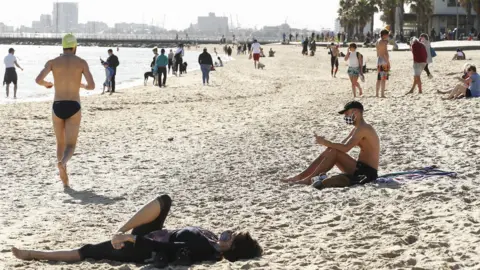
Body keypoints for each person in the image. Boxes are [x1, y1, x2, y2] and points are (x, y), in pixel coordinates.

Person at [11, 194, 262, 267]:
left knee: (88, 251)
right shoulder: (210, 238)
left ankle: (33, 254)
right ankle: (118, 228)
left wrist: (130, 238)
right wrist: (126, 231)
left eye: (230, 236)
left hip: (141, 248)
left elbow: (164, 247)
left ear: (231, 248)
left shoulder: (204, 249)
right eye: (230, 231)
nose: (226, 233)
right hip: (154, 233)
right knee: (165, 200)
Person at [34, 34, 95, 187]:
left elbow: (38, 80)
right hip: (74, 105)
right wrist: (82, 86)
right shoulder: (81, 62)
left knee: (60, 143)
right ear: (74, 47)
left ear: (63, 46)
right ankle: (63, 163)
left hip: (57, 105)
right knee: (71, 145)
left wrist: (47, 84)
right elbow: (92, 86)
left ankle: (64, 178)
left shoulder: (53, 62)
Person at [282, 101, 380, 188]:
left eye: (347, 113)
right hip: (359, 167)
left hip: (367, 172)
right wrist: (327, 143)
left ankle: (308, 179)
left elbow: (346, 148)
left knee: (333, 150)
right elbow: (340, 145)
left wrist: (325, 142)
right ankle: (300, 177)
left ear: (356, 112)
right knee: (331, 150)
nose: (345, 116)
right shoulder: (357, 129)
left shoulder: (364, 128)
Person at [376, 29, 390, 98]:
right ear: (384, 35)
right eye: (387, 35)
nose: (388, 36)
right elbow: (384, 53)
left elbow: (378, 53)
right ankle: (382, 94)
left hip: (379, 60)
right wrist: (388, 62)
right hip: (384, 61)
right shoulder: (384, 42)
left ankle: (377, 94)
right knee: (383, 78)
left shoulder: (378, 41)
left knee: (379, 78)